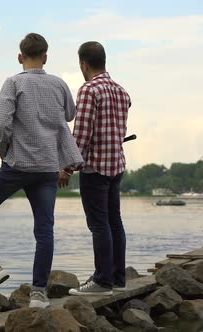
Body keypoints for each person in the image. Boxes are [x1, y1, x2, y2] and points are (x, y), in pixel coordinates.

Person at [0, 33, 83, 308]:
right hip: (48, 169)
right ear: (45, 57)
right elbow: (70, 115)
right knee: (44, 231)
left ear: (20, 57)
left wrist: (3, 150)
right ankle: (38, 293)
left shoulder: (13, 83)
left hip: (17, 164)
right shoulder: (59, 84)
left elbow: (1, 125)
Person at [60, 41, 131, 296]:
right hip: (116, 166)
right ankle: (117, 278)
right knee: (115, 222)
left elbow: (81, 135)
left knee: (99, 225)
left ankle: (102, 281)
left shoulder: (89, 90)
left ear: (84, 64)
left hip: (95, 169)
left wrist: (67, 168)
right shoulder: (121, 91)